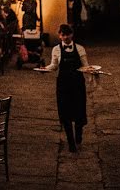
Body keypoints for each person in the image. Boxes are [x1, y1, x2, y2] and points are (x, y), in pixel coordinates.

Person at [41, 23, 89, 152]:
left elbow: (85, 66)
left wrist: (91, 72)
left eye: (68, 34)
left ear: (72, 35)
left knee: (79, 112)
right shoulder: (56, 49)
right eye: (63, 35)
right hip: (63, 85)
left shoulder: (80, 49)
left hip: (78, 84)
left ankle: (78, 136)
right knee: (65, 114)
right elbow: (54, 65)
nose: (66, 37)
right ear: (60, 36)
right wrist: (45, 69)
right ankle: (71, 143)